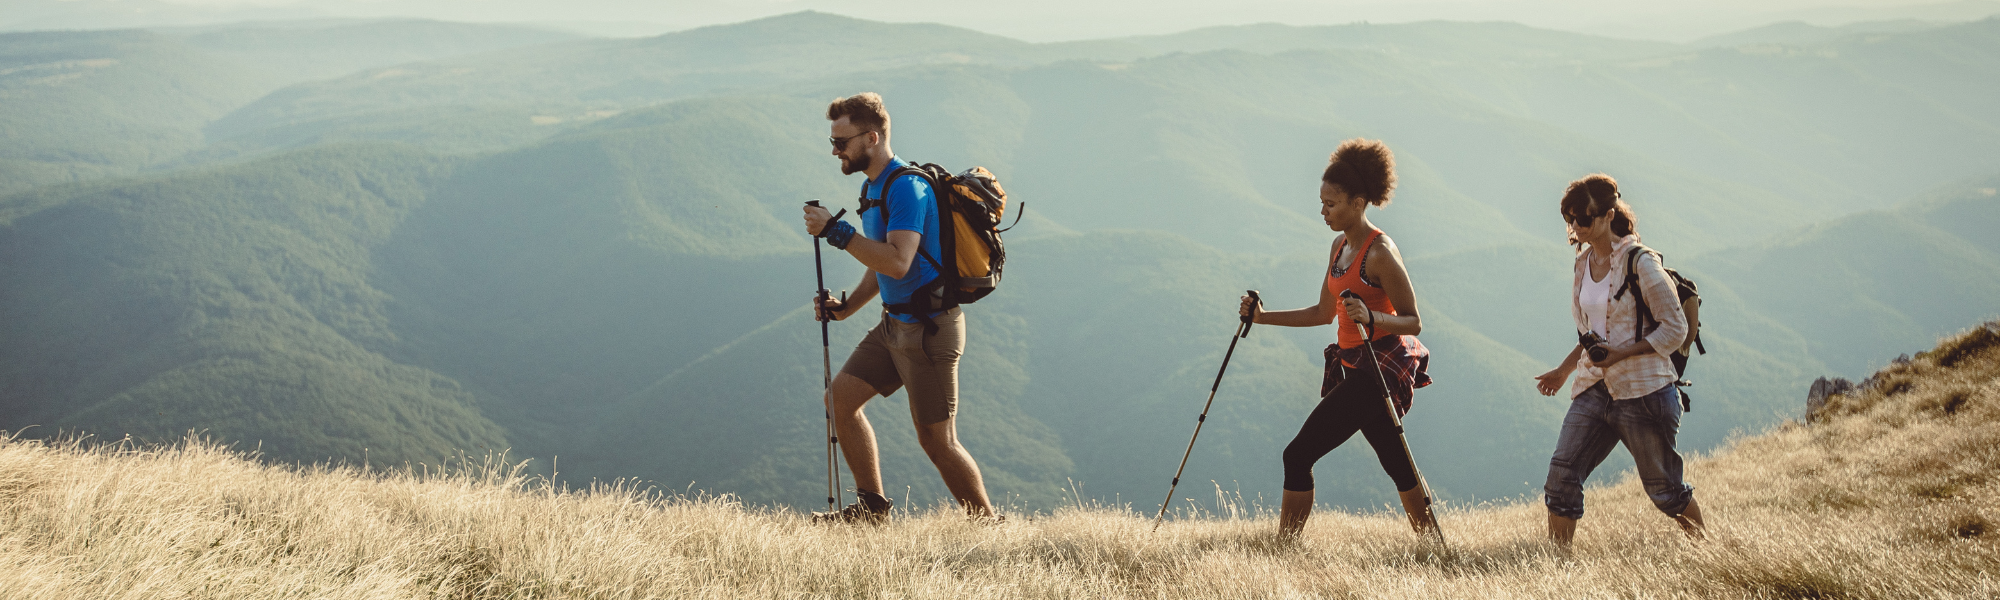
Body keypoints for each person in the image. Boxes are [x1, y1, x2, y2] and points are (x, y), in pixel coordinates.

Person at [802, 92, 996, 523]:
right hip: (895, 326)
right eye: (832, 141)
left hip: (929, 330)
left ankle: (989, 526)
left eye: (842, 142)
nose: (835, 150)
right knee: (840, 401)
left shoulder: (906, 187)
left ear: (871, 137)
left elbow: (898, 260)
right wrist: (847, 307)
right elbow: (883, 262)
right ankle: (872, 510)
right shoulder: (874, 187)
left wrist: (836, 231)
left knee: (937, 441)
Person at [1240, 138, 1435, 539]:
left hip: (1375, 370)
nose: (1324, 211)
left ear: (1359, 202)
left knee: (1296, 455)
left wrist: (1373, 315)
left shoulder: (1380, 253)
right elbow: (1322, 313)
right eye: (1322, 202)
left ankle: (1284, 547)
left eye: (1332, 203)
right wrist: (1261, 319)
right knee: (1397, 463)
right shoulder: (1339, 246)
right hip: (1349, 366)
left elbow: (1414, 321)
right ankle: (1434, 547)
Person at [1531, 173, 1705, 548]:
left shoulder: (1641, 264)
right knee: (1562, 475)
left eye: (1584, 218)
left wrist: (1623, 354)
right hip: (1594, 386)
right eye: (1569, 219)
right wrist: (1564, 371)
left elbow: (1674, 328)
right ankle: (1557, 569)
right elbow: (1592, 331)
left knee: (1665, 490)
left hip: (1644, 391)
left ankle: (1707, 550)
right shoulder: (1582, 264)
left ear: (1609, 215)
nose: (1575, 227)